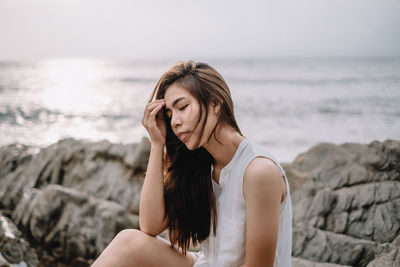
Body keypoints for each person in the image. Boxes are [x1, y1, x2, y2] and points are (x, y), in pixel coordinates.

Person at [92, 60, 292, 267]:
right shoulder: (203, 165)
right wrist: (157, 144)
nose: (174, 122)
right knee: (128, 242)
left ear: (215, 103)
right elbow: (150, 225)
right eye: (169, 115)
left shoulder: (259, 171)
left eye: (182, 107)